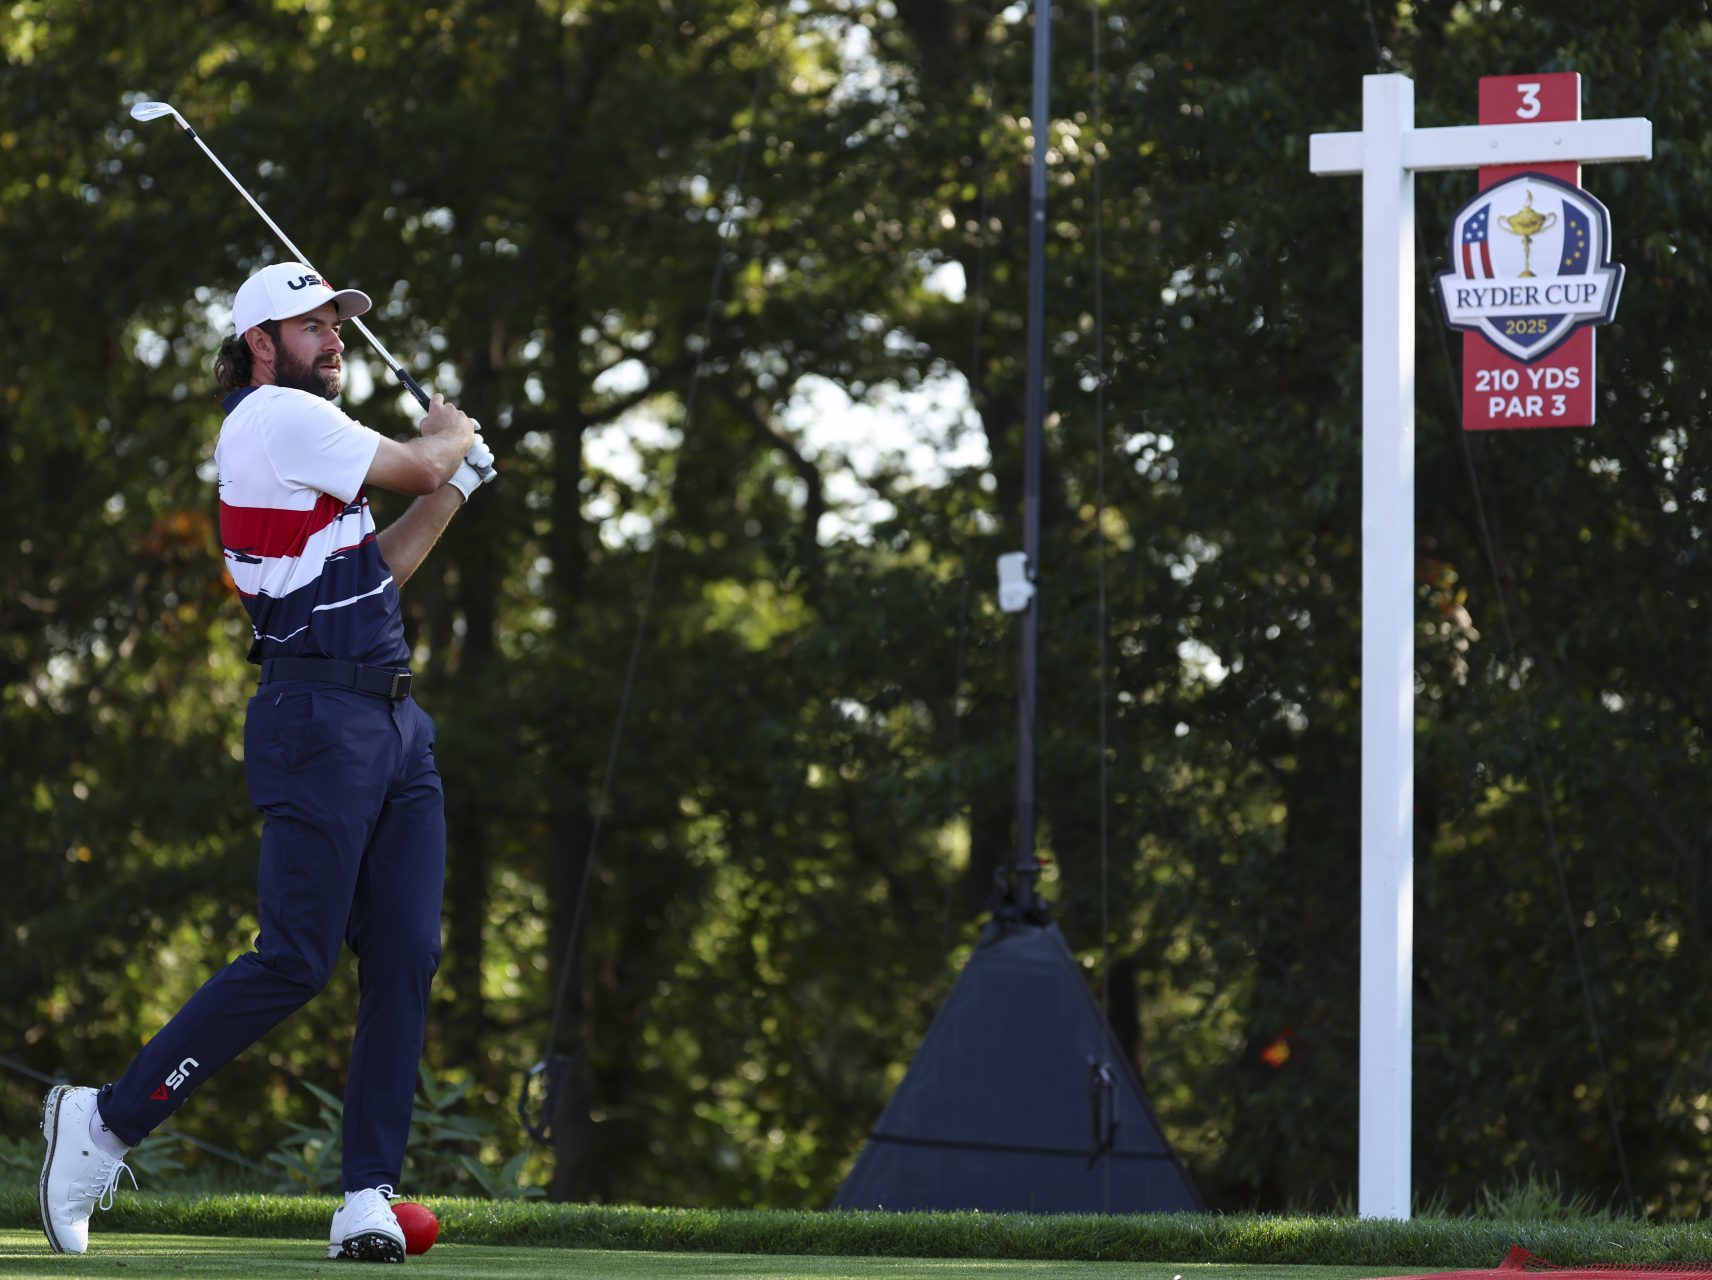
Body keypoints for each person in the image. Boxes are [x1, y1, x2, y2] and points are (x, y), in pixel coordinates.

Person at [37, 262, 496, 1261]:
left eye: (338, 322)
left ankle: (366, 1195)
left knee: (407, 954)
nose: (333, 337)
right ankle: (106, 1121)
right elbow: (416, 464)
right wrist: (448, 439)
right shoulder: (272, 418)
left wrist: (455, 481)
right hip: (317, 718)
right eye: (312, 324)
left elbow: (384, 568)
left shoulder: (309, 446)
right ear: (260, 344)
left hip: (390, 718)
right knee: (295, 954)